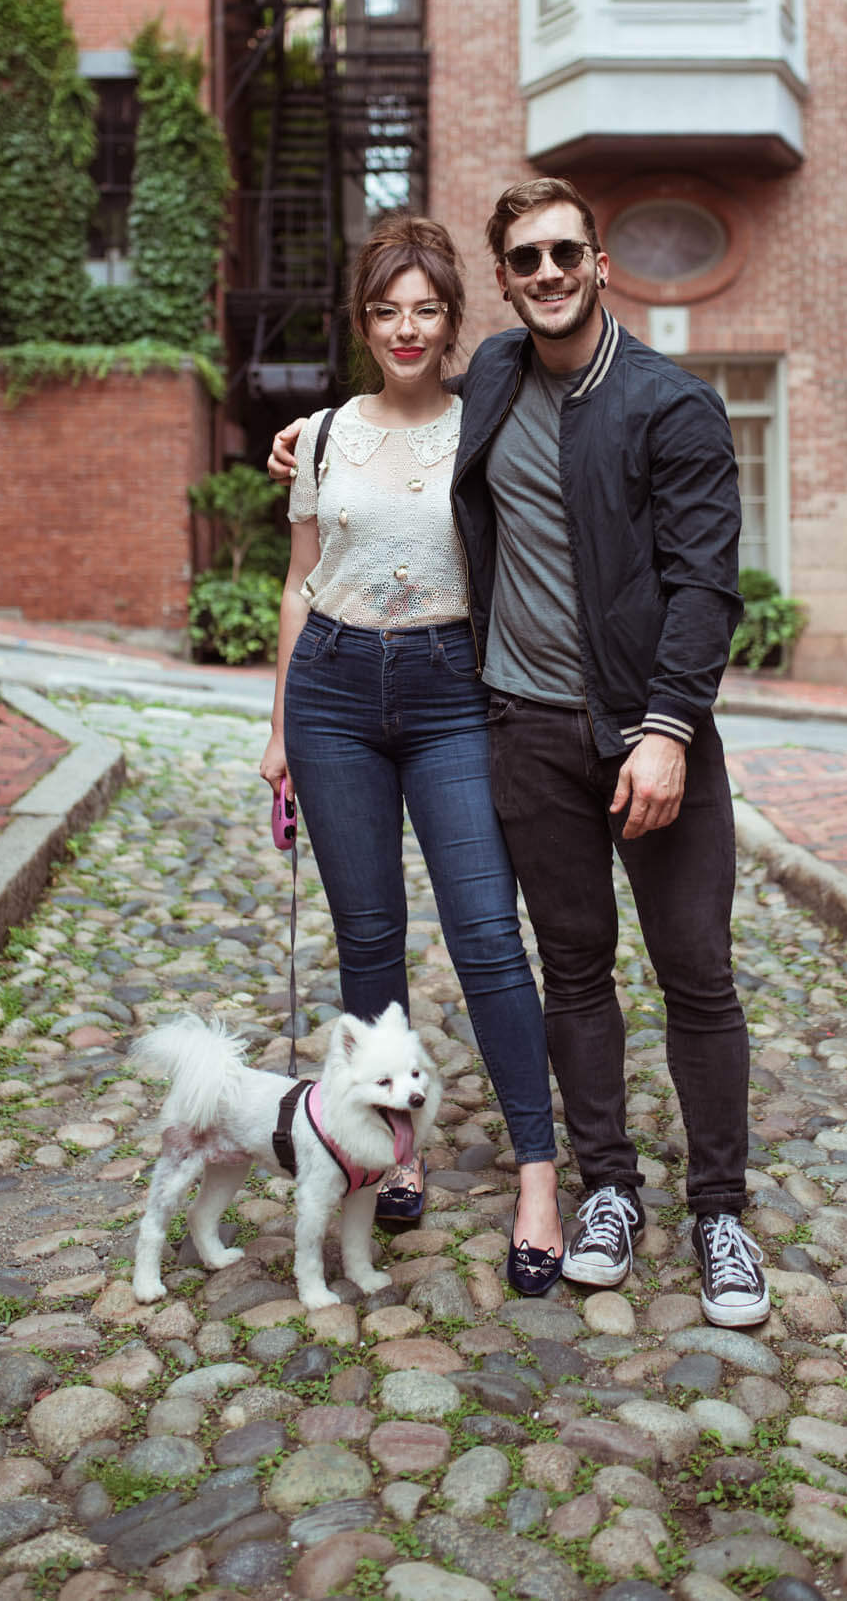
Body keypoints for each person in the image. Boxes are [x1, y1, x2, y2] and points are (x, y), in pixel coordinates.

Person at [270, 178, 767, 1326]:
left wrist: (666, 726)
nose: (545, 274)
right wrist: (308, 439)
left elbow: (704, 586)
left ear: (599, 262)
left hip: (649, 732)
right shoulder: (490, 378)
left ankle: (720, 1212)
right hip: (524, 729)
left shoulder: (670, 404)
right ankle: (604, 1190)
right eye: (524, 260)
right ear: (502, 282)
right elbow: (387, 428)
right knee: (574, 966)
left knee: (693, 969)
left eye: (562, 254)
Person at [258, 214, 563, 1292]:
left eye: (424, 309)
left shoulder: (488, 420)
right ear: (362, 320)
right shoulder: (327, 435)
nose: (404, 328)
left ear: (450, 322)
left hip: (449, 692)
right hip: (334, 687)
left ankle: (538, 1172)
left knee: (486, 934)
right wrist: (280, 722)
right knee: (368, 937)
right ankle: (394, 1148)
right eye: (384, 309)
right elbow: (299, 581)